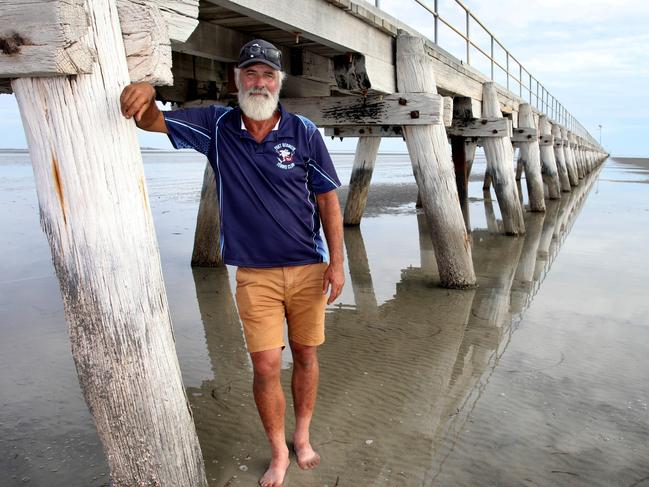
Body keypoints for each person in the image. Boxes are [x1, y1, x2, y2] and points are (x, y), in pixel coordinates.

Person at [120, 39, 344, 487]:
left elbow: (327, 199)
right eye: (250, 74)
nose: (258, 82)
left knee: (305, 354)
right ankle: (279, 451)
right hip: (254, 275)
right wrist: (145, 90)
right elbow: (153, 121)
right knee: (264, 367)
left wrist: (338, 263)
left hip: (308, 268)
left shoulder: (304, 133)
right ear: (235, 80)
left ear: (279, 82)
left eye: (267, 75)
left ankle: (302, 436)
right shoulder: (216, 126)